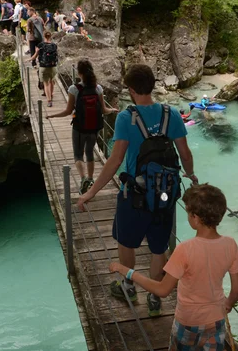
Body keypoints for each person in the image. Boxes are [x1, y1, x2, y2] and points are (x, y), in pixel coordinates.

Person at [78, 64, 198, 318]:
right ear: (153, 85)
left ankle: (128, 286)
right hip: (165, 194)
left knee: (126, 242)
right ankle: (155, 296)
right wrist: (191, 175)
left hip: (134, 194)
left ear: (131, 90)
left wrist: (92, 192)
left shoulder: (126, 117)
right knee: (158, 247)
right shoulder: (172, 114)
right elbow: (185, 154)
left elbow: (114, 160)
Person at [109, 184, 238, 349]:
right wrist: (228, 304)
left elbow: (162, 290)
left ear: (195, 217)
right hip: (216, 321)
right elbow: (237, 289)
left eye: (188, 212)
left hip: (188, 323)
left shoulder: (185, 249)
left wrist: (127, 271)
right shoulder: (230, 245)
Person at [47, 59, 118, 194]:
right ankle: (91, 179)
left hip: (79, 127)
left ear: (79, 73)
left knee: (78, 155)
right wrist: (113, 110)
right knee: (90, 152)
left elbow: (68, 111)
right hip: (94, 127)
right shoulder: (98, 88)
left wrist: (53, 116)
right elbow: (104, 110)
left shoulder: (74, 89)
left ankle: (83, 178)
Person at [29, 30, 56, 107]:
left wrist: (30, 59)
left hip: (43, 66)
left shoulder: (40, 45)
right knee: (52, 82)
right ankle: (51, 94)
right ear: (50, 36)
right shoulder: (54, 45)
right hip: (53, 66)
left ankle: (49, 100)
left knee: (46, 84)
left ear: (43, 36)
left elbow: (35, 55)